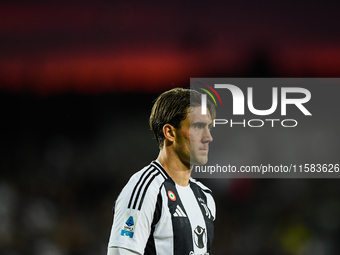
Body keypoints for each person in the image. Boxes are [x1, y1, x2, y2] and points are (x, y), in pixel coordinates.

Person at [107, 88, 216, 255]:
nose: (208, 137)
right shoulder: (146, 189)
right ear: (170, 132)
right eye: (198, 126)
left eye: (209, 127)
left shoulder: (205, 196)